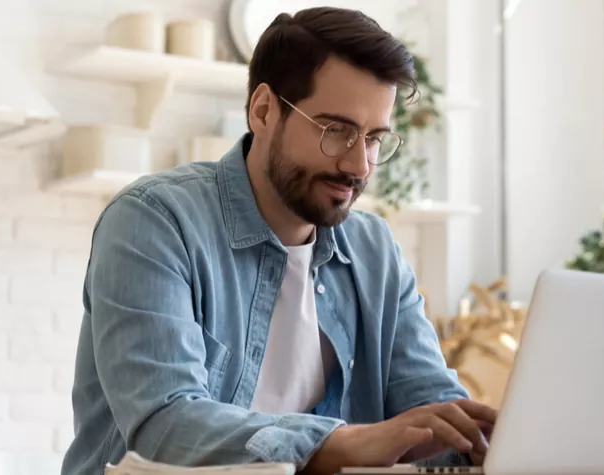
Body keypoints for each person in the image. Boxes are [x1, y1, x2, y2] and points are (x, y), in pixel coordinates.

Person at [61, 6, 496, 475]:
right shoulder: (154, 223)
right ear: (264, 110)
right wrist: (343, 443)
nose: (359, 166)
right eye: (337, 131)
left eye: (373, 139)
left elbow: (433, 408)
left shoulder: (375, 252)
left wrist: (487, 439)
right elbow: (164, 427)